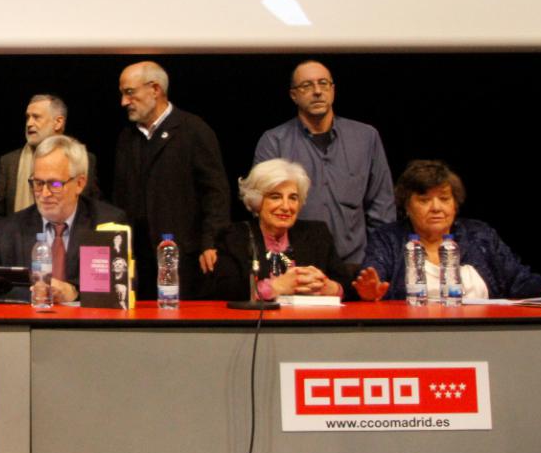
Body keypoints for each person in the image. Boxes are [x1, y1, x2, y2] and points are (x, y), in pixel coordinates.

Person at [353, 160, 541, 301]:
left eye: (444, 198)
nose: (436, 208)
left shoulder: (479, 235)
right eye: (424, 200)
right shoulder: (387, 239)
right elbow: (374, 283)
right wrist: (369, 293)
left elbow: (520, 282)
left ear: (456, 203)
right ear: (406, 206)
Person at [254, 60, 395, 267]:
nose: (317, 91)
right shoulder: (275, 141)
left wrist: (379, 263)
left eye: (323, 83)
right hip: (296, 265)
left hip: (355, 265)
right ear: (294, 95)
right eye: (307, 86)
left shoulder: (366, 138)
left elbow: (382, 207)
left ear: (333, 90)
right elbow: (263, 207)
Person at [112, 61, 232, 300]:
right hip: (138, 261)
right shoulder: (127, 138)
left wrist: (210, 241)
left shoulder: (193, 130)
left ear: (155, 89)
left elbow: (215, 193)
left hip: (183, 260)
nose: (124, 102)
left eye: (130, 92)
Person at [0, 135, 127, 303]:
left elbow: (121, 287)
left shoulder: (106, 223)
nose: (44, 194)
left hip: (87, 326)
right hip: (27, 324)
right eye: (38, 183)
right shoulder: (8, 231)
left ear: (80, 183)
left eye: (55, 185)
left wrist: (74, 293)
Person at [0, 94, 100, 248]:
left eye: (36, 117)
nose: (29, 123)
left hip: (68, 248)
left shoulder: (83, 159)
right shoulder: (10, 162)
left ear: (58, 122)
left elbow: (92, 208)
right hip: (21, 248)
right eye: (27, 117)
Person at [212, 158, 349, 302]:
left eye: (293, 198)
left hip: (309, 322)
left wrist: (332, 288)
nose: (286, 206)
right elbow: (224, 291)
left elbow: (348, 285)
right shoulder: (234, 236)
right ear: (257, 200)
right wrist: (274, 287)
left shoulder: (317, 234)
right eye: (276, 197)